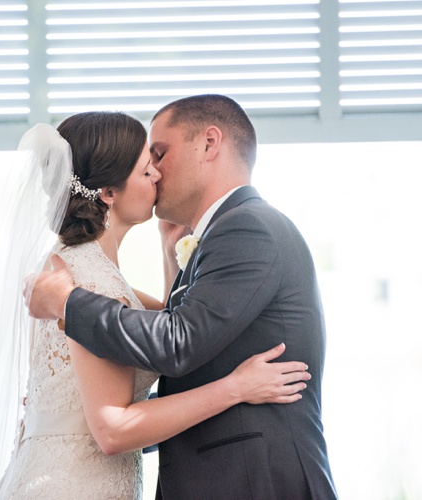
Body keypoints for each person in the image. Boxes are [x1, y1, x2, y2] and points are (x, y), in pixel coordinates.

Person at [26, 95, 338, 499]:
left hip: (255, 483)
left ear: (210, 144)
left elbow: (178, 341)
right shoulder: (97, 270)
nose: (155, 171)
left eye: (160, 153)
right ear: (107, 191)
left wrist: (68, 302)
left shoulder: (248, 228)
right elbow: (179, 351)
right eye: (147, 162)